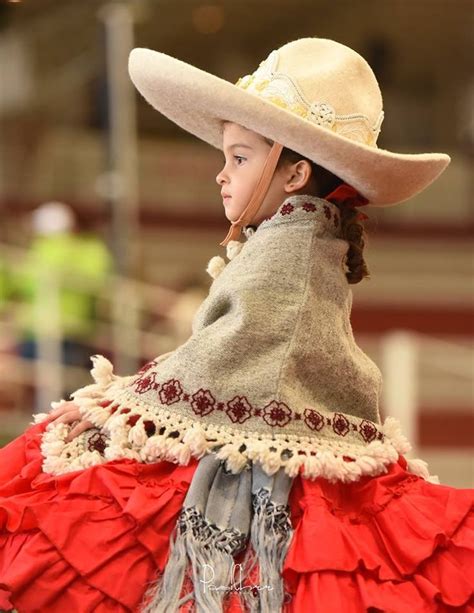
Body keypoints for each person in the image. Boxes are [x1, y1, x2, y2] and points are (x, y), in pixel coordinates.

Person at [0, 37, 473, 613]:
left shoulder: (289, 252)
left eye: (240, 159)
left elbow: (239, 352)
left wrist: (112, 405)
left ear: (294, 174)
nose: (222, 176)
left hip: (254, 469)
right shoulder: (297, 240)